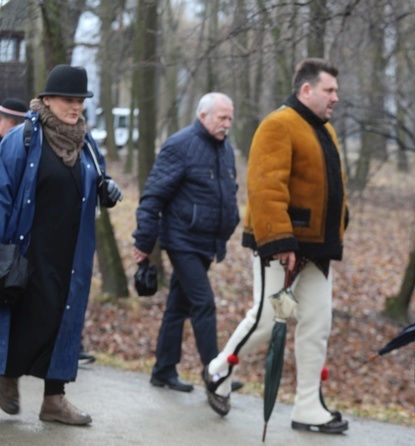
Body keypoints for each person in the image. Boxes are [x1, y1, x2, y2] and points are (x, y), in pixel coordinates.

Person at [203, 58, 349, 435]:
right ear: (306, 90)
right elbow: (266, 186)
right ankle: (218, 370)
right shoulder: (278, 124)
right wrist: (281, 241)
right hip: (281, 246)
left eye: (335, 90)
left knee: (318, 322)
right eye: (329, 90)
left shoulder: (324, 130)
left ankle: (308, 407)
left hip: (316, 250)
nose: (336, 97)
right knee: (266, 321)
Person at [0, 65, 122, 425]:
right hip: (27, 249)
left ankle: (54, 400)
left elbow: (99, 177)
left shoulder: (86, 142)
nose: (76, 107)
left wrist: (108, 187)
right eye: (69, 100)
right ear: (48, 100)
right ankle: (7, 376)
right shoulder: (21, 139)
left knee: (62, 322)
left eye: (80, 101)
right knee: (26, 318)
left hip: (71, 253)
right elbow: (2, 194)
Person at [133, 92, 240, 393]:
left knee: (177, 307)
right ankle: (215, 372)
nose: (227, 124)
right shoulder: (180, 146)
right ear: (203, 116)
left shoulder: (225, 150)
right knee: (203, 303)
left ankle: (163, 370)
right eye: (222, 118)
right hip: (182, 240)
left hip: (207, 242)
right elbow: (153, 195)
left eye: (230, 118)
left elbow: (227, 193)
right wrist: (144, 241)